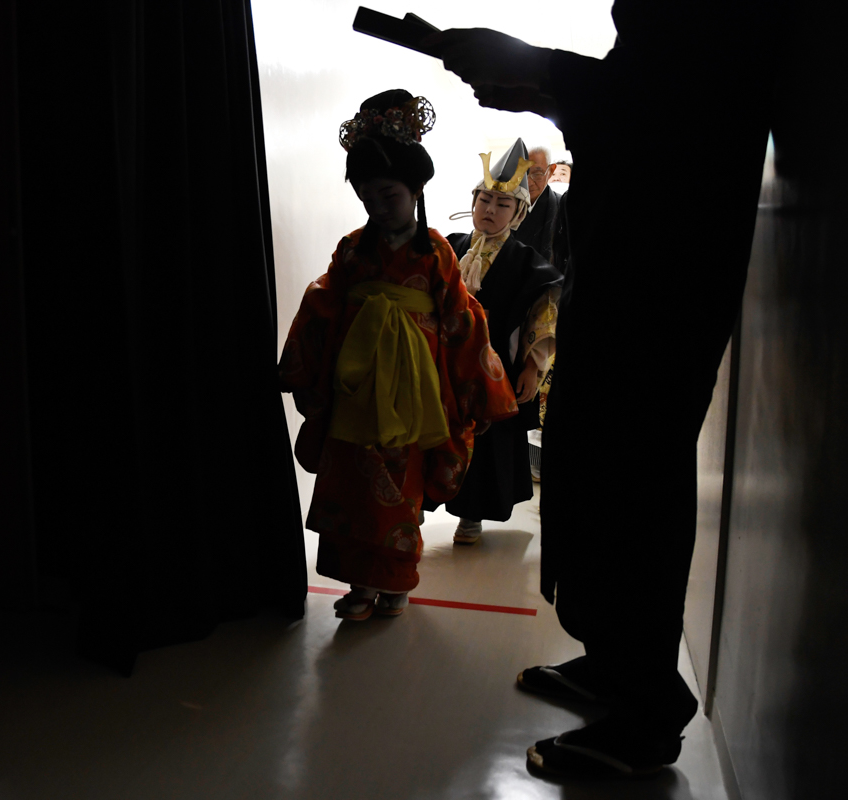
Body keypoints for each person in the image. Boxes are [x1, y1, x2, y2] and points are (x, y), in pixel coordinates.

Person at [422, 3, 773, 779]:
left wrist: (541, 70)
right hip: (628, 293)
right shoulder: (672, 46)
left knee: (629, 491)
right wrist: (543, 83)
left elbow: (670, 105)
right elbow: (637, 99)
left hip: (658, 301)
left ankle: (644, 713)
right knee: (594, 478)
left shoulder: (717, 41)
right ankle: (617, 666)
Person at [279, 89, 517, 622]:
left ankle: (393, 584)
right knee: (351, 482)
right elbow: (322, 305)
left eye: (387, 194)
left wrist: (477, 390)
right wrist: (304, 369)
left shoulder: (436, 253)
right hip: (356, 380)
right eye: (366, 196)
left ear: (415, 189)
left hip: (413, 387)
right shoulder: (351, 249)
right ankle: (359, 586)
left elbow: (462, 320)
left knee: (399, 484)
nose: (376, 206)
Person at [430, 139, 561, 544]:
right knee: (435, 428)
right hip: (445, 362)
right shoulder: (449, 247)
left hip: (494, 365)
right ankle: (418, 501)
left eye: (502, 204)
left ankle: (471, 514)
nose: (490, 209)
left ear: (519, 212)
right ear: (473, 202)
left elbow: (543, 313)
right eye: (484, 200)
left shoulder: (527, 262)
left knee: (486, 443)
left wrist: (532, 367)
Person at [510, 145, 560, 263]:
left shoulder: (563, 206)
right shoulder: (505, 205)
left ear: (551, 171)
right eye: (522, 173)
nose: (528, 182)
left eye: (537, 174)